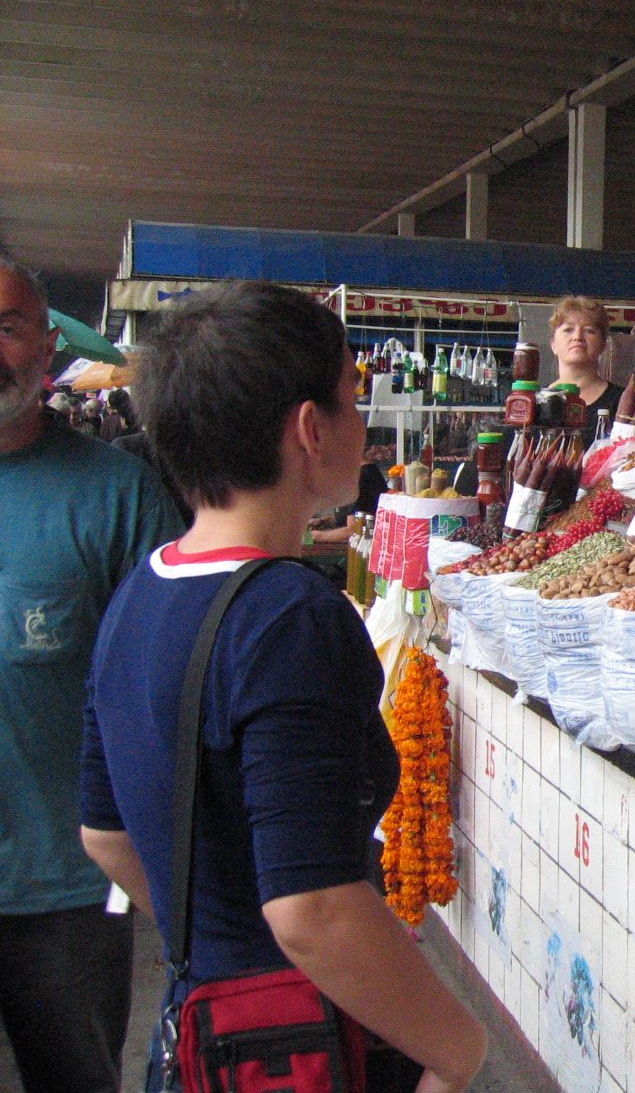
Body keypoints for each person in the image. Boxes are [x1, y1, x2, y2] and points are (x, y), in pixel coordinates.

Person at [79, 281, 485, 1093]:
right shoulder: (289, 617)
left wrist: (218, 942)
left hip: (197, 1036)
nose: (360, 422)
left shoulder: (140, 591)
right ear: (309, 428)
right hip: (299, 1050)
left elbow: (105, 835)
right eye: (349, 397)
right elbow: (313, 910)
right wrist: (459, 1050)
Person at [0, 257, 183, 1093]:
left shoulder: (119, 497)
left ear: (45, 348)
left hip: (69, 890)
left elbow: (163, 689)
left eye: (5, 327)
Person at [549, 295, 623, 446]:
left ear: (603, 344)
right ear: (553, 345)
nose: (577, 337)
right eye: (568, 330)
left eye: (589, 330)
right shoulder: (536, 402)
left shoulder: (623, 401)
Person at [309, 442, 390, 544]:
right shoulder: (362, 474)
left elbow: (354, 531)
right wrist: (325, 521)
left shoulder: (363, 478)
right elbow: (352, 511)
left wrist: (318, 536)